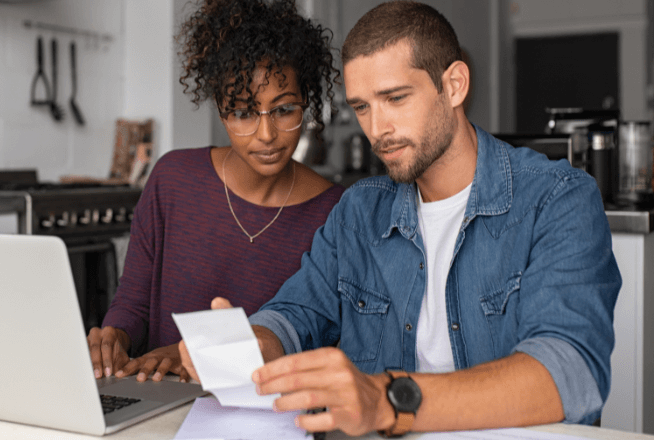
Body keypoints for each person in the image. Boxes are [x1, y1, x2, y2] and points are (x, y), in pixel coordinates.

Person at [180, 1, 621, 437]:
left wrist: (388, 400)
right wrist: (253, 344)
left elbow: (570, 372)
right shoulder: (359, 212)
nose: (377, 128)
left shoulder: (557, 198)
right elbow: (296, 313)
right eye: (363, 106)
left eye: (394, 98)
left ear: (454, 85)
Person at [88, 0, 344, 384]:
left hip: (264, 415)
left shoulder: (335, 211)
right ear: (221, 112)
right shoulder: (172, 179)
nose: (266, 134)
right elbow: (134, 303)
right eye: (243, 113)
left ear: (306, 102)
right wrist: (114, 338)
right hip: (159, 399)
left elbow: (317, 338)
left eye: (284, 109)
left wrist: (187, 354)